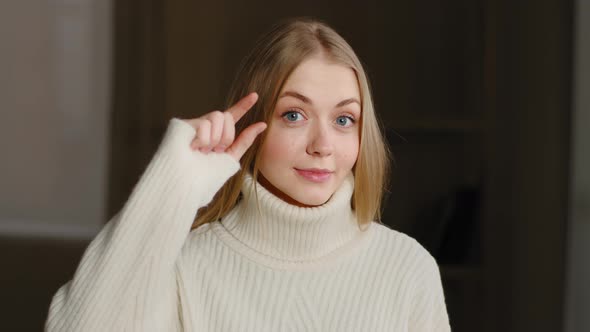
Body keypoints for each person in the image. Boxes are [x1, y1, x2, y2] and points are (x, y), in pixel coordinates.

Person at [45, 17, 450, 331]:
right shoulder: (186, 266)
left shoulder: (406, 268)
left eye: (344, 119)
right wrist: (171, 187)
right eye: (294, 115)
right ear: (253, 125)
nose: (322, 144)